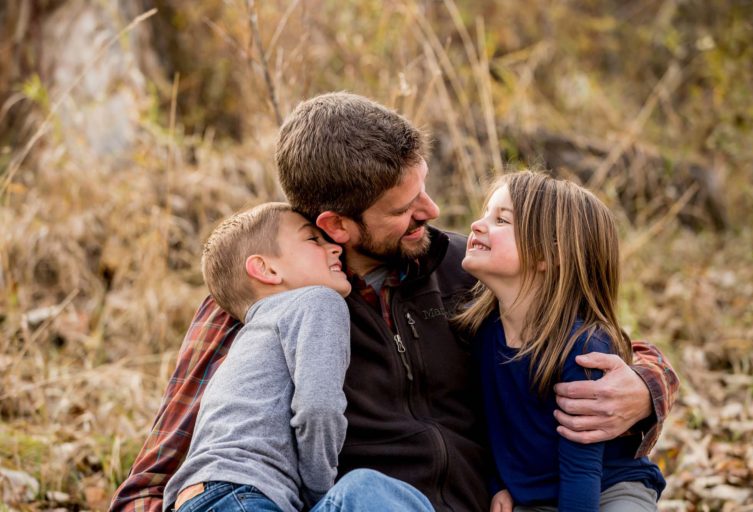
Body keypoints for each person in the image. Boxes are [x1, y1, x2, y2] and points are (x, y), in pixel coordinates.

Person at [110, 92, 679, 512]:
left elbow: (596, 338)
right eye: (404, 207)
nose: (431, 211)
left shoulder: (468, 267)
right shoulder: (271, 295)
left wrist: (645, 387)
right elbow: (165, 462)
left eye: (423, 187)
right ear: (337, 224)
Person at [163, 202, 433, 512]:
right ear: (266, 269)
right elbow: (318, 408)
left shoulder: (249, 337)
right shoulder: (318, 301)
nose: (333, 248)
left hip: (197, 496)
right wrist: (318, 493)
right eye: (312, 240)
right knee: (368, 491)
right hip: (241, 494)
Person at [457, 171, 665, 511]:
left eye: (501, 220)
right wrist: (500, 485)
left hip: (607, 488)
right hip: (533, 493)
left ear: (549, 256)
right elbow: (490, 426)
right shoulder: (482, 331)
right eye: (485, 214)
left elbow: (581, 471)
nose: (477, 225)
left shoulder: (583, 347)